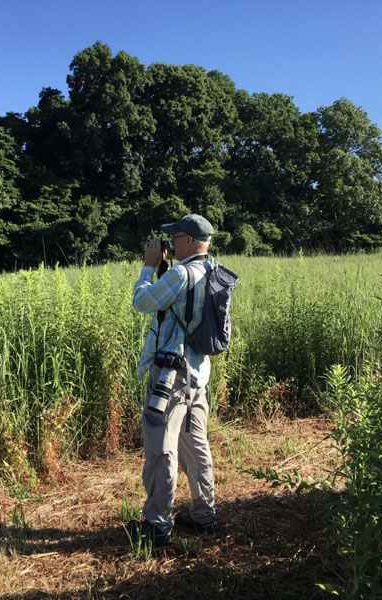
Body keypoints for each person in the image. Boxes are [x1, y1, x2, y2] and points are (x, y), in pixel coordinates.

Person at [129, 214, 218, 548]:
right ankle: (204, 515)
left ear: (188, 241)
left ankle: (158, 526)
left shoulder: (181, 273)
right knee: (195, 445)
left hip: (169, 376)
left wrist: (149, 267)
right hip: (198, 373)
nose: (168, 243)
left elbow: (142, 302)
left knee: (160, 448)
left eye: (174, 238)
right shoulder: (213, 271)